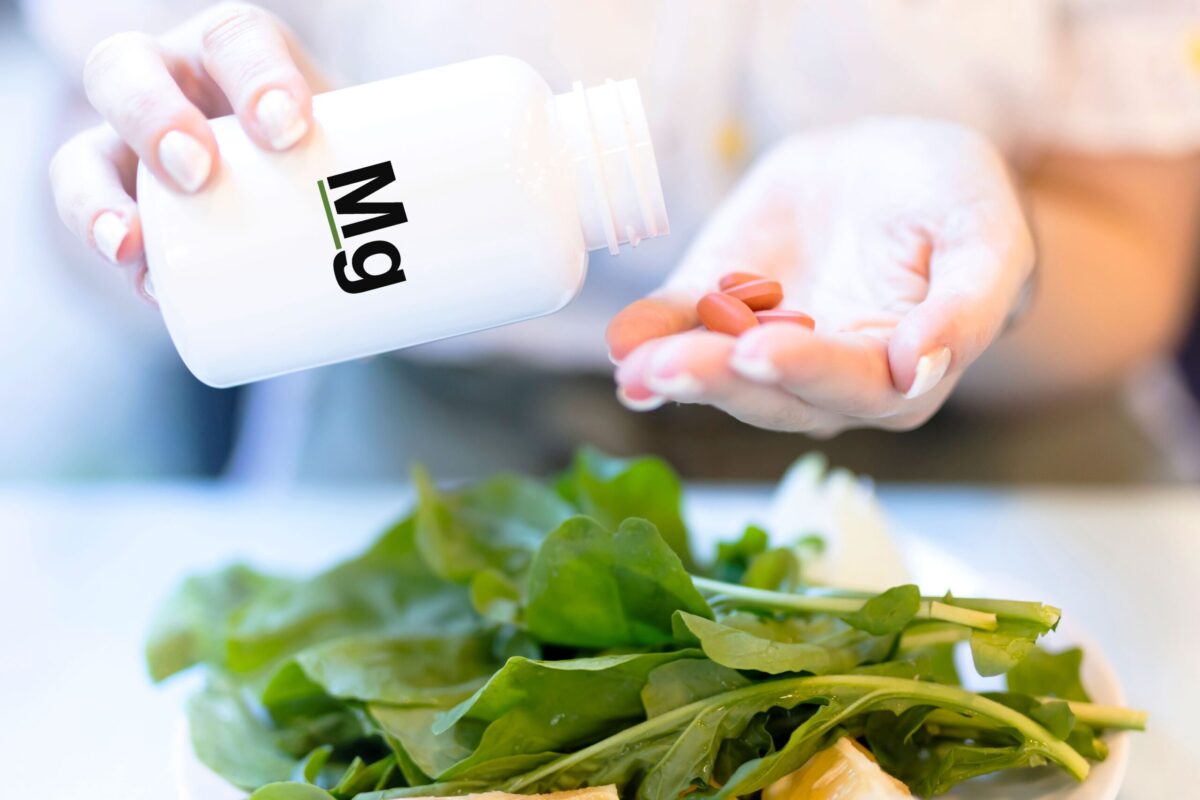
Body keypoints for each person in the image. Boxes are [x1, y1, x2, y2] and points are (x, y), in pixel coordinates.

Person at [38, 1, 1200, 481]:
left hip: (995, 423)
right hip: (433, 431)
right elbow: (100, 157)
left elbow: (1137, 255)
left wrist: (978, 258)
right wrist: (153, 194)